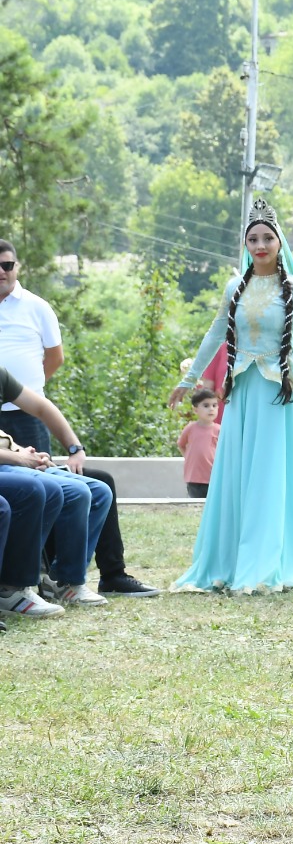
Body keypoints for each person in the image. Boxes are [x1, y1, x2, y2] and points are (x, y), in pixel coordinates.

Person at [168, 197, 293, 593]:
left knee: (277, 474)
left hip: (283, 396)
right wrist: (190, 378)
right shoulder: (235, 287)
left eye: (267, 238)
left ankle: (282, 557)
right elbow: (215, 334)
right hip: (245, 393)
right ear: (246, 245)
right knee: (244, 474)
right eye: (253, 239)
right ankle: (235, 558)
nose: (260, 245)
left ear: (280, 243)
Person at [0, 243, 159, 597]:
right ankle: (28, 582)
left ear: (17, 266)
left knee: (95, 482)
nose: (2, 271)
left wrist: (74, 446)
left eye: (7, 264)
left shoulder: (36, 307)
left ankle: (103, 574)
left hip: (24, 417)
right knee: (36, 490)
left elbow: (53, 362)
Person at [0, 363, 113, 614]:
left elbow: (41, 406)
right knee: (41, 488)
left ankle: (63, 581)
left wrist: (72, 449)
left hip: (9, 455)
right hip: (5, 462)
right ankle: (13, 586)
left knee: (96, 491)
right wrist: (18, 458)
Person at [178, 388, 221, 499]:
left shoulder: (219, 430)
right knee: (196, 505)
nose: (211, 409)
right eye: (206, 406)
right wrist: (188, 457)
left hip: (213, 476)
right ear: (195, 409)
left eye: (214, 405)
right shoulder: (190, 428)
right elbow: (181, 444)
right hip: (194, 477)